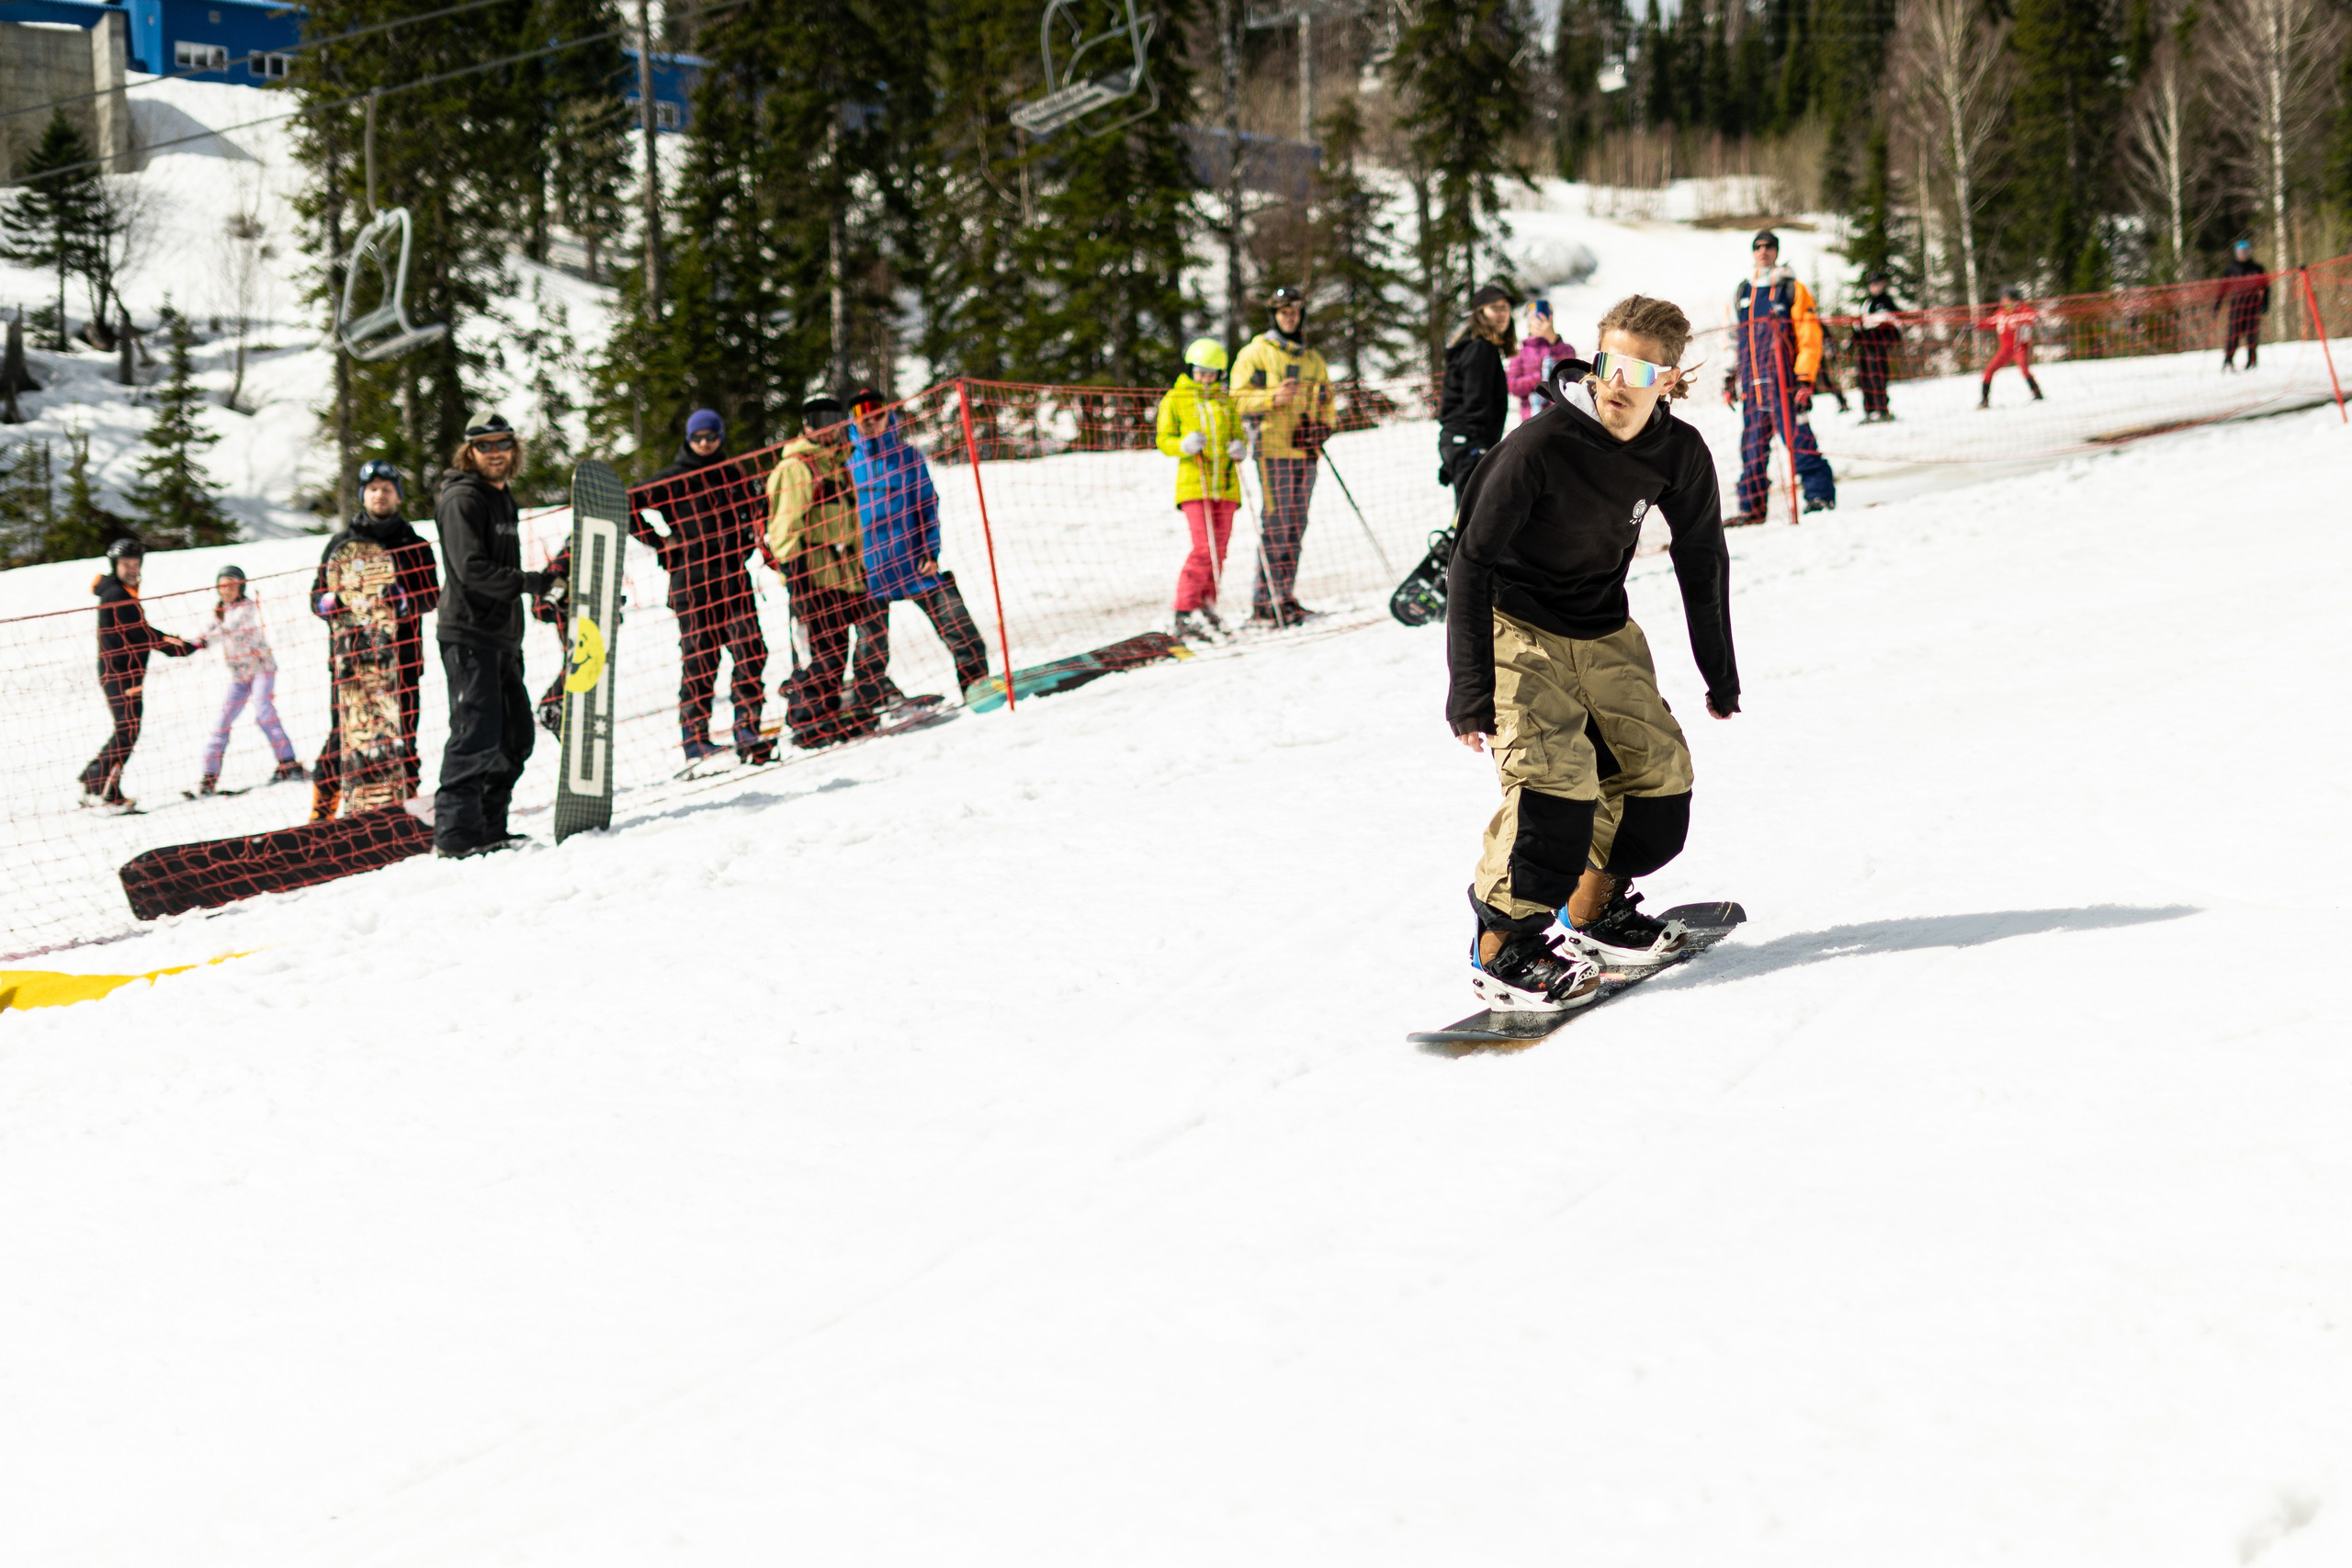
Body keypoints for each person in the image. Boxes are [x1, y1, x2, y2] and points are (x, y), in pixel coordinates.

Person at [1446, 295, 1738, 1011]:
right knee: (1556, 784)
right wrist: (1471, 691)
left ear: (1667, 380)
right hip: (1512, 620)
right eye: (1608, 361)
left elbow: (1702, 557)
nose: (1616, 382)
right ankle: (1503, 946)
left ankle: (1595, 908)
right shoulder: (1540, 446)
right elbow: (1470, 562)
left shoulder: (1679, 452)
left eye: (1638, 369)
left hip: (1601, 625)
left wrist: (1719, 671)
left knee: (1660, 781)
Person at [434, 412, 556, 858]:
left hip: (503, 635)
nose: (495, 453)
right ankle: (455, 836)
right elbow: (471, 569)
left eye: (502, 443)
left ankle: (488, 826)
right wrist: (532, 583)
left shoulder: (503, 498)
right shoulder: (462, 499)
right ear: (470, 452)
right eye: (484, 446)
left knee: (516, 735)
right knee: (475, 735)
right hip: (468, 633)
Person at [631, 408, 773, 764]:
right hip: (692, 582)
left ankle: (747, 728)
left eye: (711, 437)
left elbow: (758, 506)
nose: (705, 443)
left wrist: (752, 529)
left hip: (733, 576)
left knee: (751, 650)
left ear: (720, 437)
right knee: (700, 660)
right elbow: (626, 503)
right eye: (698, 438)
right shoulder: (675, 478)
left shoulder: (732, 472)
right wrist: (661, 540)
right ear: (689, 439)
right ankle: (695, 741)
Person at [309, 458, 441, 819]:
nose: (379, 495)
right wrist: (332, 601)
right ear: (362, 496)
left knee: (402, 734)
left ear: (397, 495)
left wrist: (403, 602)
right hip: (351, 661)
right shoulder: (342, 544)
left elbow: (433, 596)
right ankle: (322, 814)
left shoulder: (415, 544)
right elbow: (315, 599)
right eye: (372, 489)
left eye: (386, 489)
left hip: (401, 660)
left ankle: (405, 806)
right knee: (344, 737)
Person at [846, 387, 993, 694]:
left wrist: (930, 550)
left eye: (877, 415)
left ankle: (976, 685)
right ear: (853, 421)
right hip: (870, 570)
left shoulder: (908, 456)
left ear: (889, 416)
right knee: (869, 649)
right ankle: (870, 702)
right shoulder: (846, 462)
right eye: (864, 418)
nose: (871, 422)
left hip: (915, 564)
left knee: (959, 626)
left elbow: (928, 504)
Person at [765, 394, 888, 748]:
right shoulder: (797, 467)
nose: (828, 426)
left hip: (844, 578)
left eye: (834, 417)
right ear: (806, 426)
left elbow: (848, 524)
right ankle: (807, 723)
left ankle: (828, 716)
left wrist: (859, 573)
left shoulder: (839, 463)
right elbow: (784, 529)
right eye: (819, 419)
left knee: (837, 651)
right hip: (812, 579)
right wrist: (796, 578)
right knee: (817, 655)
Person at [1231, 284, 1335, 626]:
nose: (1290, 318)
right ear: (1274, 315)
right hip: (1272, 450)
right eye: (1283, 312)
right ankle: (1264, 602)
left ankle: (1285, 597)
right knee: (1276, 525)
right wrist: (1271, 399)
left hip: (1305, 452)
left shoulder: (1312, 359)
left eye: (1294, 312)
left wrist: (1323, 428)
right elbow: (1235, 398)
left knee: (1296, 525)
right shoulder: (1256, 353)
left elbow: (1328, 402)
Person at [78, 536, 197, 811]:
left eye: (136, 564)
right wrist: (178, 646)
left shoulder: (119, 591)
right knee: (128, 731)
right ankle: (107, 792)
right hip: (122, 674)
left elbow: (140, 631)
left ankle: (94, 780)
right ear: (114, 565)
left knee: (125, 729)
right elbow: (141, 633)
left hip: (119, 671)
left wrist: (174, 643)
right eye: (125, 564)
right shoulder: (118, 595)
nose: (132, 569)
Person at [1725, 231, 1836, 520]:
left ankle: (1819, 496)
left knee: (1799, 442)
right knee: (1751, 449)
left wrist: (1804, 378)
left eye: (1769, 247)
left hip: (1785, 384)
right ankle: (1752, 509)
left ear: (1776, 251)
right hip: (1752, 387)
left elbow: (1809, 337)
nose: (1763, 251)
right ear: (1753, 252)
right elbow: (1733, 338)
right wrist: (1729, 376)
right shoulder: (1742, 292)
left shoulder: (1792, 288)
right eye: (1758, 247)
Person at [1154, 340, 1246, 640]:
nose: (1206, 378)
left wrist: (1239, 447)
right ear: (1191, 369)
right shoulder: (1176, 398)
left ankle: (1208, 604)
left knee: (1219, 551)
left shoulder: (1226, 401)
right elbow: (1163, 438)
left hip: (1227, 486)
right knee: (1204, 548)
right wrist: (1182, 445)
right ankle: (1184, 610)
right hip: (1196, 485)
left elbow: (1238, 434)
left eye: (1212, 373)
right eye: (1201, 372)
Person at [190, 564, 303, 795]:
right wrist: (189, 644)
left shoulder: (247, 607)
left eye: (231, 585)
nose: (226, 590)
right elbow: (207, 630)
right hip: (239, 675)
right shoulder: (219, 611)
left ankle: (288, 763)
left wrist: (204, 642)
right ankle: (209, 777)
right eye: (222, 586)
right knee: (222, 722)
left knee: (264, 713)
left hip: (261, 668)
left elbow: (229, 628)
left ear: (241, 587)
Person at [1439, 283, 1516, 511]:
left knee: (1468, 516)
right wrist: (1479, 446)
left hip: (1459, 441)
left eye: (1505, 308)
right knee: (1471, 519)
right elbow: (1476, 401)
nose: (1502, 314)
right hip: (1468, 442)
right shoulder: (1480, 349)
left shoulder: (1478, 347)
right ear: (1480, 313)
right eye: (1495, 308)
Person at [1505, 299, 1578, 424]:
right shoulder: (1520, 352)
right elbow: (1512, 385)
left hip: (1560, 417)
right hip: (1531, 419)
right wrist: (1541, 377)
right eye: (1535, 317)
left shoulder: (1562, 348)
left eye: (1546, 317)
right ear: (1528, 321)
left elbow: (1572, 371)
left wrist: (1553, 339)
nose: (1540, 321)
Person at [1975, 286, 2043, 408]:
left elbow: (2032, 316)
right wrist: (1975, 325)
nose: (2001, 301)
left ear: (2011, 298)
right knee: (1988, 371)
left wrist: (2031, 319)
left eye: (2004, 298)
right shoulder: (2001, 312)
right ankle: (1984, 400)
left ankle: (2037, 394)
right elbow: (1991, 322)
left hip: (2018, 348)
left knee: (2024, 370)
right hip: (2005, 350)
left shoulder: (2021, 309)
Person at [1851, 272, 1904, 422]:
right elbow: (1859, 325)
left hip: (1879, 347)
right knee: (1864, 378)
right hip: (1865, 346)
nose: (1874, 287)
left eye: (1877, 283)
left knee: (1878, 378)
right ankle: (1869, 410)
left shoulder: (1887, 302)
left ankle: (1882, 410)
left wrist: (1888, 342)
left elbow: (1897, 323)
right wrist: (1853, 341)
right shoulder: (1867, 303)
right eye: (1871, 284)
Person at [2216, 239, 2270, 371]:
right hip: (2236, 308)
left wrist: (2265, 304)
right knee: (2233, 336)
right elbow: (2223, 288)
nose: (2243, 254)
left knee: (2252, 337)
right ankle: (2228, 361)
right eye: (2240, 252)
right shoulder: (2231, 269)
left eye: (2245, 252)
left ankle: (2252, 362)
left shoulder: (2257, 268)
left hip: (2252, 308)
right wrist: (2217, 304)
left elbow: (2266, 288)